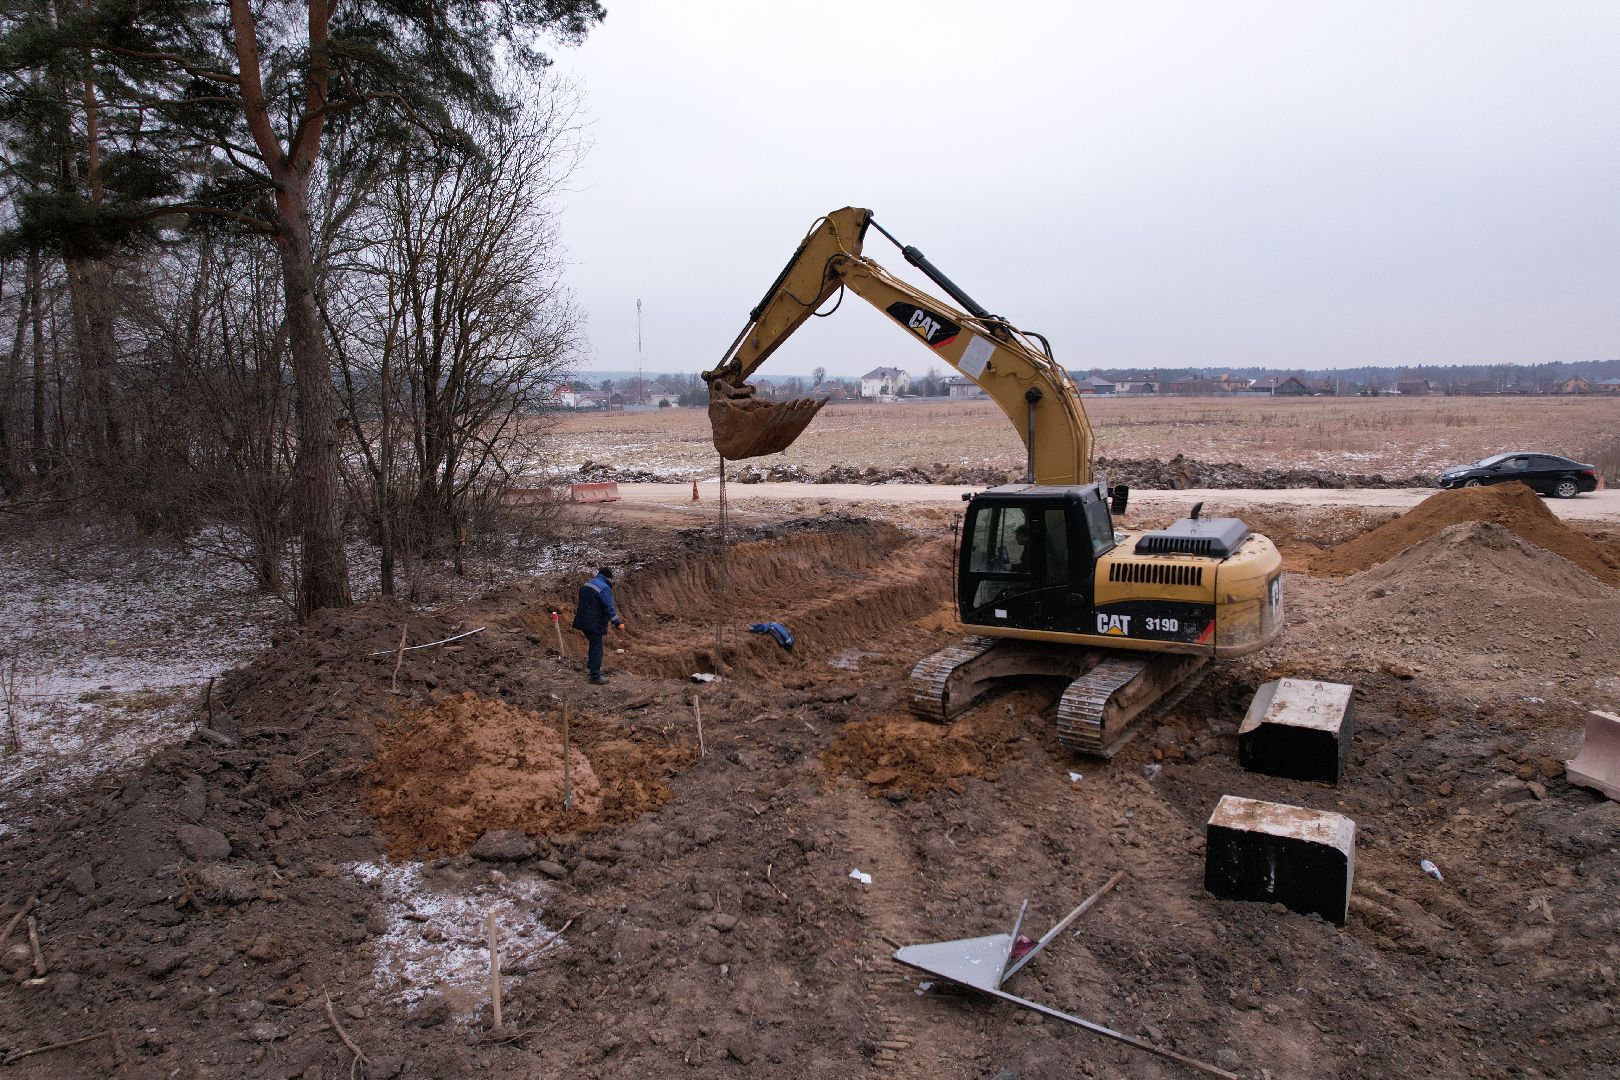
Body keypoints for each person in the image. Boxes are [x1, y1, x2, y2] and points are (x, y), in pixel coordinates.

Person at [572, 567, 626, 684]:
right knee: (597, 648)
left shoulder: (588, 583)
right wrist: (617, 622)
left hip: (582, 620)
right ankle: (595, 676)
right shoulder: (604, 588)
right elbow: (609, 607)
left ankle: (592, 667)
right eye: (611, 579)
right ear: (608, 578)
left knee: (593, 644)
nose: (612, 582)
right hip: (593, 622)